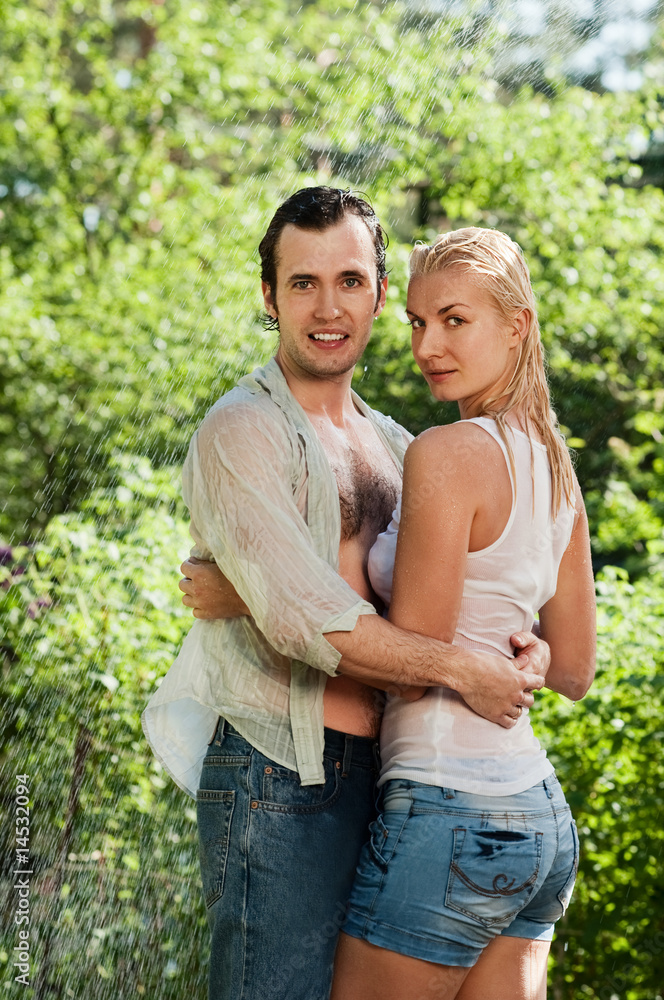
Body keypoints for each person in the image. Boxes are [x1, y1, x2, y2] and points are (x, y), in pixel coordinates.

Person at [142, 188, 550, 1000]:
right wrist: (466, 672)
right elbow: (304, 620)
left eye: (350, 281)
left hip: (400, 778)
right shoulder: (240, 432)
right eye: (302, 283)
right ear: (269, 297)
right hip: (282, 778)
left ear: (378, 293)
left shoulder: (399, 444)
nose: (328, 308)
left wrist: (521, 644)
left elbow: (467, 600)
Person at [329, 228, 596, 1000]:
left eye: (454, 319)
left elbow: (413, 663)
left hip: (451, 809)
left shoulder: (446, 453)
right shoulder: (554, 460)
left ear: (516, 326)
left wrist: (262, 591)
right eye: (415, 322)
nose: (428, 345)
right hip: (537, 823)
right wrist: (530, 656)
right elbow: (573, 669)